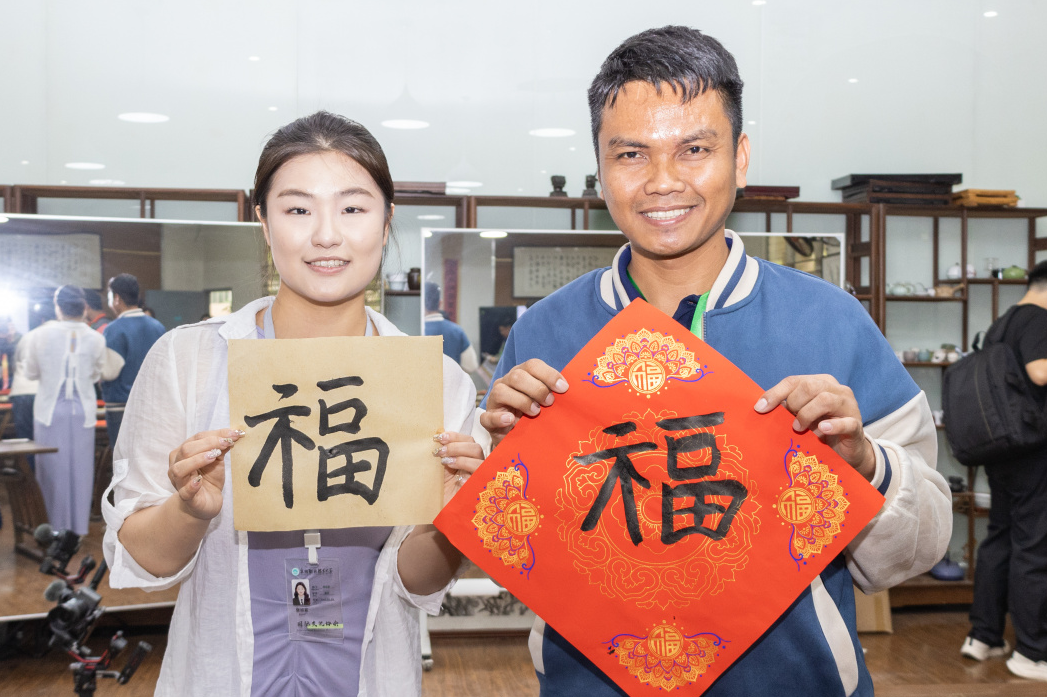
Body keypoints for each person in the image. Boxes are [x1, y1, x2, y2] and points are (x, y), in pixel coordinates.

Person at [478, 26, 951, 696]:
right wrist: (502, 471)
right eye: (631, 154)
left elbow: (923, 544)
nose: (662, 182)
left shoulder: (830, 321)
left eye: (694, 149)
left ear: (740, 157)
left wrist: (863, 464)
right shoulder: (544, 333)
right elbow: (512, 550)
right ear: (600, 169)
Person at [102, 111, 483, 697]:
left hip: (370, 677)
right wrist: (190, 510)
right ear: (263, 221)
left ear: (386, 222)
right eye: (298, 209)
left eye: (353, 208)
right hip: (221, 677)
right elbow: (146, 561)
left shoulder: (437, 382)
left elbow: (418, 581)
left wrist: (455, 522)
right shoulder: (189, 359)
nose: (326, 235)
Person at [961, 261, 1047, 681]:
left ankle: (984, 636)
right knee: (1035, 545)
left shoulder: (1002, 323)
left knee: (1000, 538)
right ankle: (1032, 652)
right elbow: (1040, 372)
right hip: (1032, 450)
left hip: (1001, 449)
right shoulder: (1039, 320)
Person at [22, 286, 116, 535]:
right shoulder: (95, 337)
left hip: (50, 411)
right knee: (81, 471)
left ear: (58, 307)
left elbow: (30, 372)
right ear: (84, 307)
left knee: (52, 471)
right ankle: (77, 530)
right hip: (82, 411)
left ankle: (53, 528)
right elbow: (96, 373)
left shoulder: (40, 335)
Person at [101, 273, 166, 447]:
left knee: (122, 456)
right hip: (152, 404)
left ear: (116, 298)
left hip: (121, 406)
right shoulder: (158, 327)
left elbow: (109, 372)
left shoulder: (114, 329)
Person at [423, 282, 478, 372]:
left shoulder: (415, 330)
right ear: (440, 303)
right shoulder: (457, 331)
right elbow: (471, 366)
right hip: (451, 380)